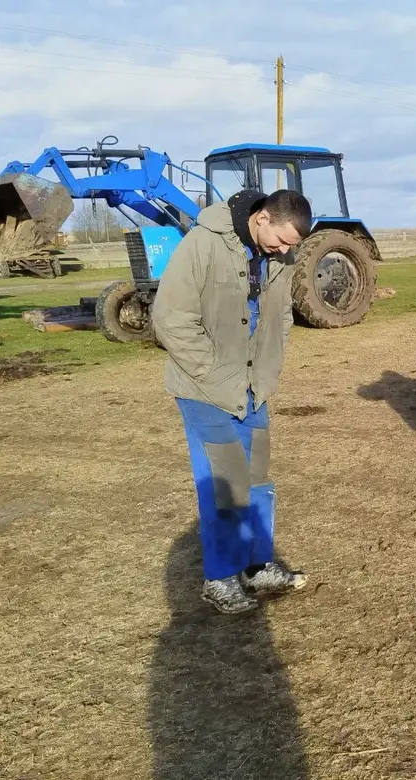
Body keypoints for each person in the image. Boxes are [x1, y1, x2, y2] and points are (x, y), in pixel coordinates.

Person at [152, 188, 313, 614]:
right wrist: (210, 373)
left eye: (291, 246)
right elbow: (170, 317)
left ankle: (256, 567)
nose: (284, 251)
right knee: (226, 485)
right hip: (206, 390)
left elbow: (279, 316)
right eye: (281, 240)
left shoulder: (278, 257)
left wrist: (269, 371)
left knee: (257, 480)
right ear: (261, 218)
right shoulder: (203, 243)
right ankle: (220, 579)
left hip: (253, 389)